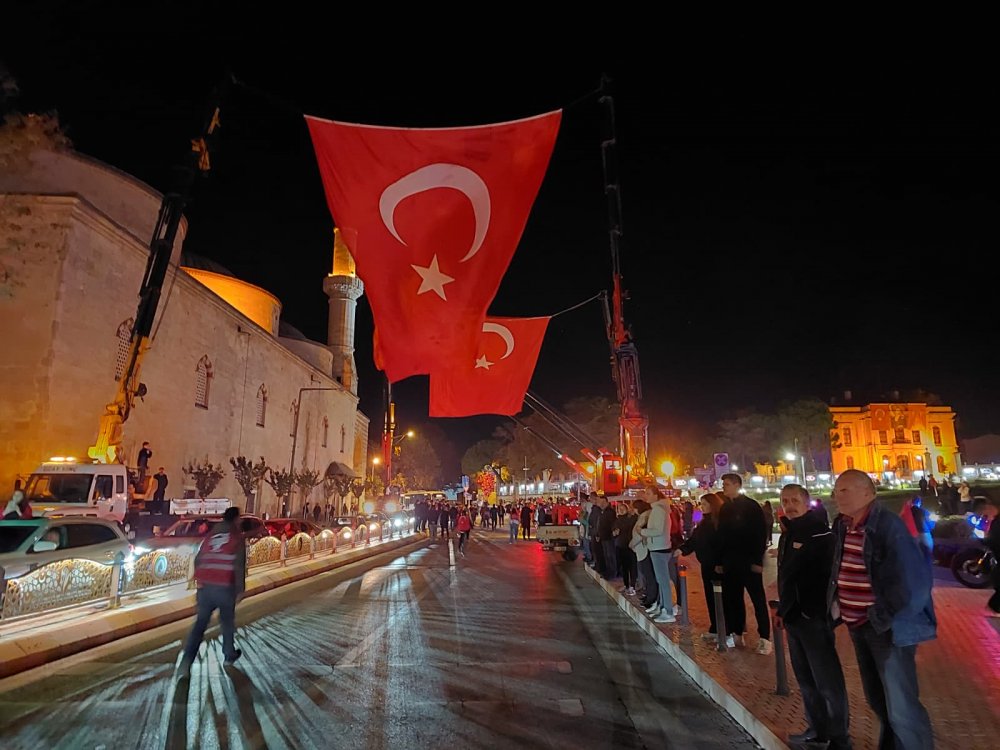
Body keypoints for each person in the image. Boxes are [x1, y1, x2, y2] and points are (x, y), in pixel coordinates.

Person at [828, 469, 935, 750]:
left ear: (868, 492)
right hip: (859, 625)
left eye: (844, 490)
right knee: (877, 698)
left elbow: (913, 585)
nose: (837, 496)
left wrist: (882, 616)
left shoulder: (888, 527)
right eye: (836, 490)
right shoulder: (843, 524)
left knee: (901, 706)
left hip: (886, 628)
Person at [776, 484, 851, 750]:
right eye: (785, 501)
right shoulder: (789, 532)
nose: (789, 505)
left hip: (813, 618)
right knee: (806, 679)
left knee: (827, 680)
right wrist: (782, 609)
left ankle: (839, 737)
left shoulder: (820, 533)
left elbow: (828, 576)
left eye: (795, 500)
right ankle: (817, 730)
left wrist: (816, 611)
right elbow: (787, 577)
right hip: (794, 617)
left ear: (807, 503)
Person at [178, 506, 247, 677]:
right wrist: (240, 589)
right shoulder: (236, 538)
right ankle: (229, 654)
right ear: (235, 519)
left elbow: (198, 560)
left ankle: (185, 664)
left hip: (205, 587)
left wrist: (199, 580)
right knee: (227, 622)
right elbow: (238, 565)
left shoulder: (210, 537)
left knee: (199, 626)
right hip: (224, 586)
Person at [717, 472, 772, 654]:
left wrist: (757, 560)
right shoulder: (725, 508)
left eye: (727, 484)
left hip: (749, 562)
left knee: (757, 599)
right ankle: (737, 632)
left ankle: (765, 637)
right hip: (730, 562)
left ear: (737, 485)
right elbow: (722, 536)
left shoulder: (751, 506)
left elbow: (760, 534)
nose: (724, 487)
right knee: (734, 598)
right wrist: (721, 561)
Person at [679, 492, 726, 642]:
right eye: (702, 504)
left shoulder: (719, 522)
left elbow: (722, 544)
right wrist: (682, 549)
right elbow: (695, 540)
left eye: (705, 504)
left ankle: (724, 630)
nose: (702, 507)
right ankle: (715, 627)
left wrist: (720, 562)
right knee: (710, 597)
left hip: (717, 565)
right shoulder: (704, 522)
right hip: (706, 563)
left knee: (721, 597)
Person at [639, 485, 675, 624]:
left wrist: (643, 532)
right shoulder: (657, 509)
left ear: (656, 495)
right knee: (661, 580)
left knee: (663, 581)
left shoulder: (659, 510)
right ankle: (662, 607)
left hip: (660, 548)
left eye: (648, 493)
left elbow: (658, 530)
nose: (646, 496)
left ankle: (668, 610)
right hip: (657, 547)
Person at [614, 501, 639, 596]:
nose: (621, 510)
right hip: (620, 545)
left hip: (630, 545)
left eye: (623, 508)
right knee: (624, 567)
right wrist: (614, 532)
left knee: (632, 566)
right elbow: (614, 530)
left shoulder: (631, 519)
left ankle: (632, 585)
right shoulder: (617, 520)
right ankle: (626, 584)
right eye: (619, 509)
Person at [983, 504, 1000, 618]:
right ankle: (994, 606)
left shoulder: (996, 522)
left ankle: (994, 605)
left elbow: (992, 539)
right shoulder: (996, 521)